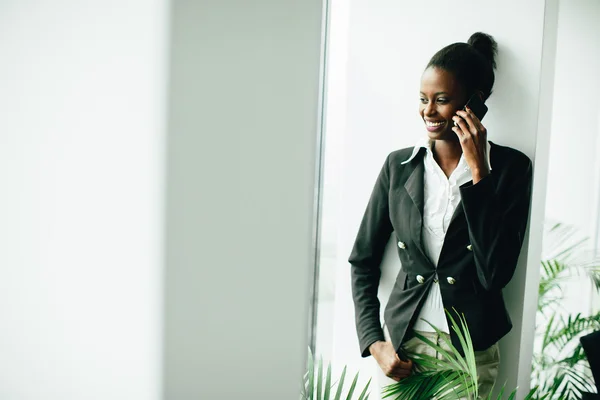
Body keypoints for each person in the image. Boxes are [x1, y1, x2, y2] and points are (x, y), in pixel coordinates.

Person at [348, 32, 533, 399]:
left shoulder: (511, 169)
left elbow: (495, 273)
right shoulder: (398, 166)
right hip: (402, 350)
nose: (428, 111)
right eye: (423, 99)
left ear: (475, 103)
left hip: (469, 355)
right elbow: (362, 261)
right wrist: (373, 341)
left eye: (442, 100)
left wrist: (480, 174)